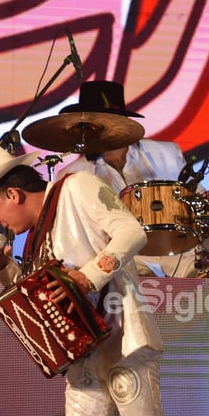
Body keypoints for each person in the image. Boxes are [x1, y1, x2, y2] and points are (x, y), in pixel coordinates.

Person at [0, 144, 167, 416]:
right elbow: (39, 298)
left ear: (13, 195)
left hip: (124, 342)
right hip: (82, 356)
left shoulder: (77, 186)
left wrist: (85, 278)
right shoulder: (34, 239)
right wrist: (4, 267)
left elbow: (131, 232)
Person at [58, 80, 200, 278]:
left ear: (125, 121)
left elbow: (196, 197)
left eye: (112, 120)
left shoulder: (166, 153)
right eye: (96, 122)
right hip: (124, 259)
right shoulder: (71, 176)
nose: (105, 126)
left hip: (179, 251)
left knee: (204, 282)